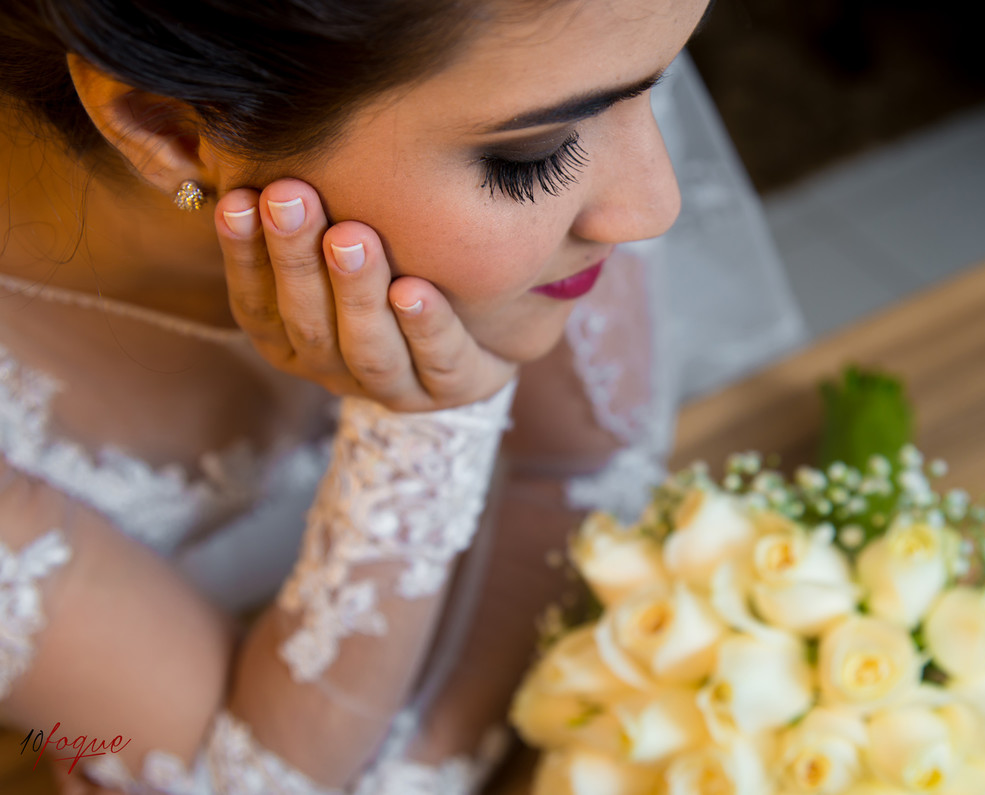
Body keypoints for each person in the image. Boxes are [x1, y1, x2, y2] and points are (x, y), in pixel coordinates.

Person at [0, 1, 803, 793]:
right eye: (536, 157)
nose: (655, 204)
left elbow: (579, 470)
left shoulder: (567, 44)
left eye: (651, 88)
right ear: (170, 131)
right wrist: (423, 425)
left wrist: (406, 765)